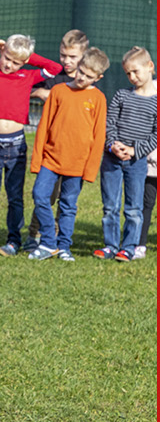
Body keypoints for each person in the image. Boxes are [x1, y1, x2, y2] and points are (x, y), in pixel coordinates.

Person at [0, 33, 62, 255]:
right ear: (1, 53)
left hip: (16, 145)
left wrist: (27, 57)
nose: (9, 64)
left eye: (16, 62)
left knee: (15, 196)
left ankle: (13, 240)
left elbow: (54, 67)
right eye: (7, 58)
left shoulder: (27, 75)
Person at [27, 48, 109, 261]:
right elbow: (44, 126)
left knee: (68, 205)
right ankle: (48, 241)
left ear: (98, 78)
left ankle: (64, 246)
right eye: (81, 71)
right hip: (51, 160)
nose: (82, 77)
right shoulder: (58, 91)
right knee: (40, 195)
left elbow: (99, 136)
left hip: (78, 165)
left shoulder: (98, 99)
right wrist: (37, 161)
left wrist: (90, 171)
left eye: (89, 76)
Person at [24, 30, 86, 248]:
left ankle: (59, 240)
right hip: (51, 147)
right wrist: (40, 93)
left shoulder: (86, 81)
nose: (67, 62)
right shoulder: (53, 75)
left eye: (72, 57)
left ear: (84, 56)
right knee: (45, 195)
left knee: (66, 198)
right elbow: (21, 88)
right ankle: (34, 235)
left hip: (75, 150)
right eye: (63, 55)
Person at [94, 47, 156, 260]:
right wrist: (112, 145)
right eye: (128, 73)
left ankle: (129, 247)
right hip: (112, 159)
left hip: (137, 162)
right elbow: (109, 123)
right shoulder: (121, 95)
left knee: (133, 208)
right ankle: (110, 245)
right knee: (110, 205)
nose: (132, 77)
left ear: (150, 67)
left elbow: (155, 136)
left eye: (136, 71)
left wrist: (134, 150)